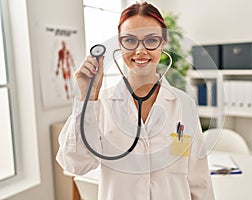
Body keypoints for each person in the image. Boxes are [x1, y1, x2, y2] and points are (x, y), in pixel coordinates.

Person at [56, 2, 214, 200]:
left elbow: (199, 181)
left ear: (163, 43)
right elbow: (75, 164)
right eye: (130, 41)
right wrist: (88, 97)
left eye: (151, 40)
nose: (140, 50)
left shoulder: (183, 104)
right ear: (120, 44)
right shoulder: (100, 103)